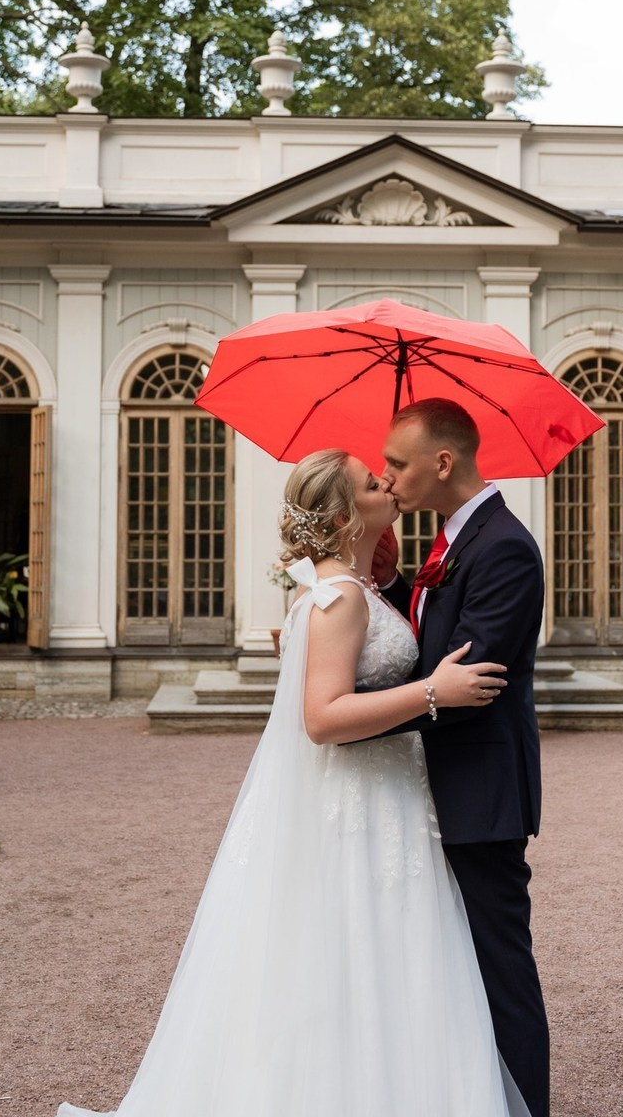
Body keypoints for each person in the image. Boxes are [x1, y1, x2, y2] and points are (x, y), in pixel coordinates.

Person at [58, 448, 530, 1117]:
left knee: (373, 957)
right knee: (357, 953)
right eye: (374, 481)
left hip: (385, 796)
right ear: (344, 516)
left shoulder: (347, 590)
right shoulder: (339, 598)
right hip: (361, 799)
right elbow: (321, 719)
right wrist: (433, 691)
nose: (389, 482)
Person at [374, 398, 551, 1117]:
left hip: (479, 793)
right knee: (447, 965)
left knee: (499, 967)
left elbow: (467, 679)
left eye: (396, 463)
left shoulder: (503, 546)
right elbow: (429, 642)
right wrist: (383, 587)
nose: (387, 479)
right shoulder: (450, 543)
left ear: (442, 463)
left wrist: (343, 717)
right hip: (436, 785)